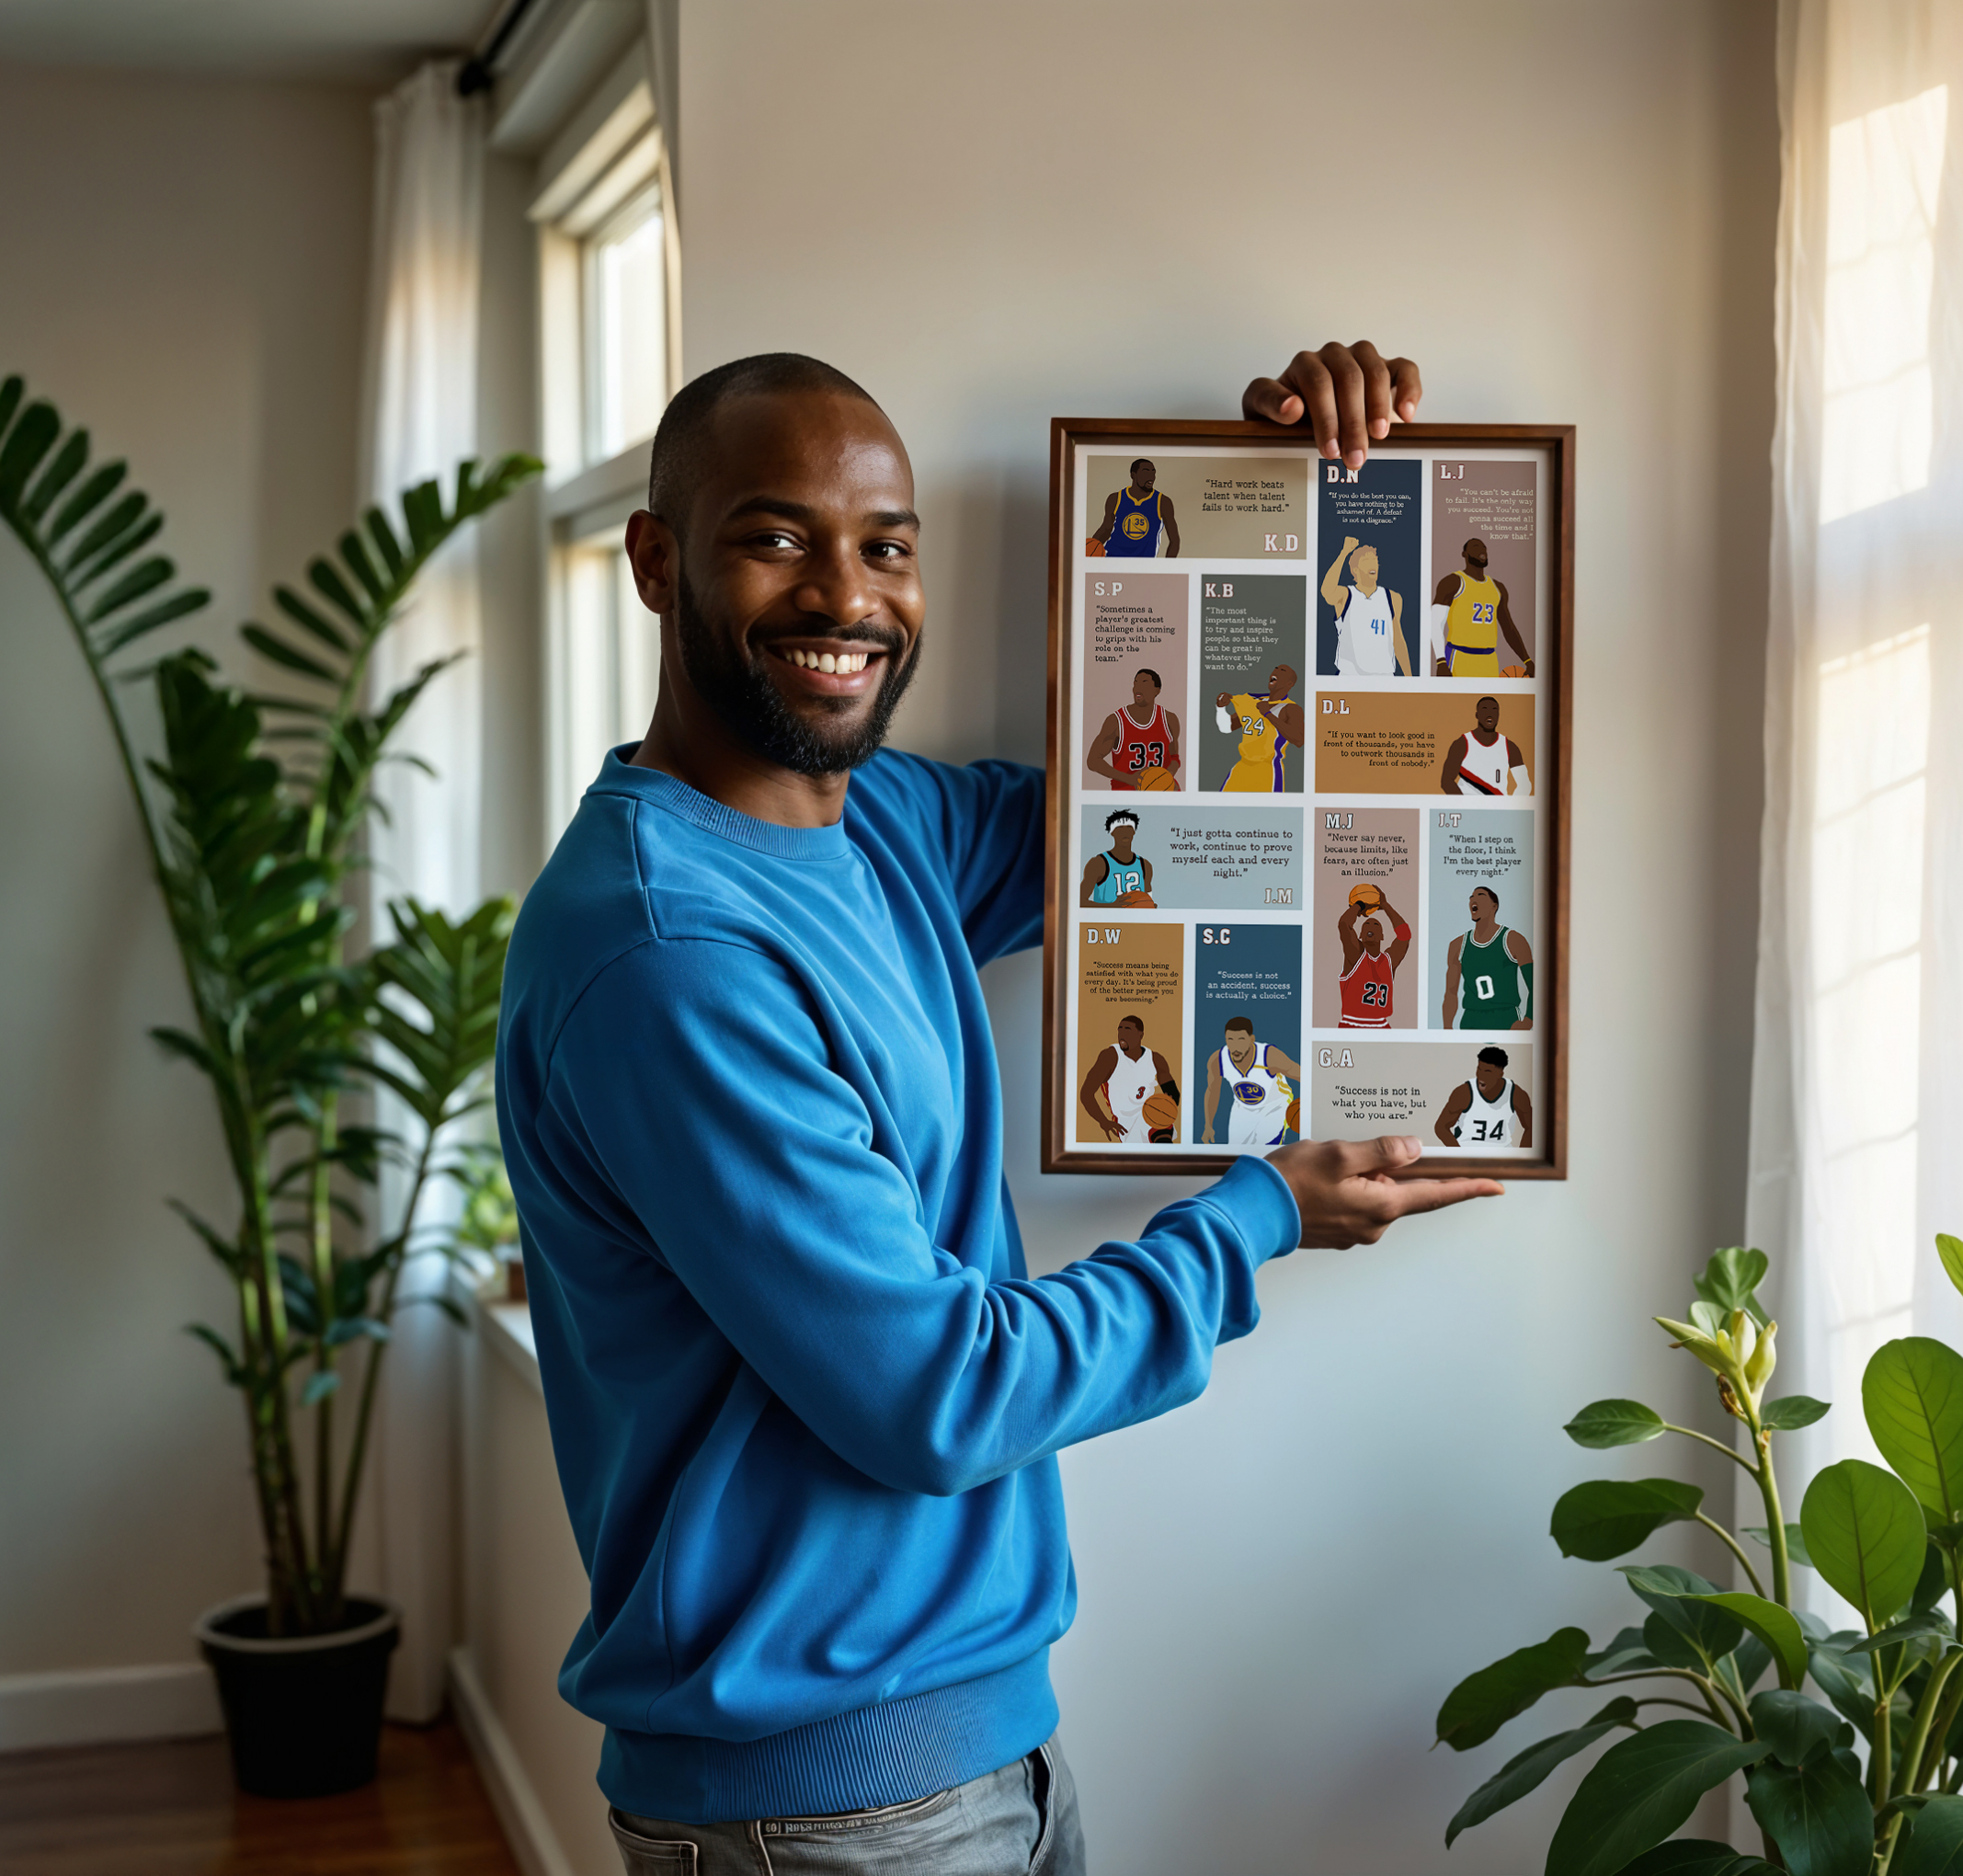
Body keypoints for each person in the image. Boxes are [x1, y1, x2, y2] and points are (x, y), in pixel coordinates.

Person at [496, 341, 1491, 1875]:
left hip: (978, 1748)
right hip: (820, 1813)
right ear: (656, 559)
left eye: (885, 547)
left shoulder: (879, 822)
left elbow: (1190, 818)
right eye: (776, 538)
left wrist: (1285, 492)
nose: (846, 597)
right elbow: (940, 1393)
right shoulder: (666, 954)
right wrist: (1259, 1216)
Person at [1432, 535, 1533, 676]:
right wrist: (1441, 661)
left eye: (1484, 547)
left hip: (1489, 659)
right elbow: (1435, 625)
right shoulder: (1453, 582)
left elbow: (1508, 628)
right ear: (1464, 554)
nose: (1482, 550)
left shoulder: (1498, 588)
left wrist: (1527, 660)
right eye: (1475, 546)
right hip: (1459, 656)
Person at [1441, 885, 1534, 1030]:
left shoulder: (1513, 940)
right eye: (1471, 897)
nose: (1473, 899)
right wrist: (1447, 1028)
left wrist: (1529, 1020)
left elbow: (1535, 985)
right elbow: (1451, 993)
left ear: (1494, 906)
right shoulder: (1457, 945)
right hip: (1471, 1018)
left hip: (1505, 1017)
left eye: (1480, 895)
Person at [1200, 1015, 1301, 1146]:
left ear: (1251, 1039)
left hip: (1275, 1106)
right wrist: (1208, 1125)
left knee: (1266, 1153)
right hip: (1242, 1108)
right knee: (1236, 1154)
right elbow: (1212, 1091)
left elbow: (1303, 1075)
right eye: (1230, 1039)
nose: (1235, 1046)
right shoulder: (1218, 1060)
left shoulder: (1270, 1056)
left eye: (1241, 1040)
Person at [1079, 1015, 1178, 1143]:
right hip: (1126, 1123)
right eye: (1120, 1029)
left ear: (1140, 1034)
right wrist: (1103, 1121)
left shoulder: (1155, 1059)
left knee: (1164, 1141)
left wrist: (1166, 1109)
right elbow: (1086, 1093)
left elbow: (1172, 1092)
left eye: (1127, 1029)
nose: (1122, 1033)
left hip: (1151, 1114)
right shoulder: (1110, 1057)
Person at [1320, 535, 1410, 677]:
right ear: (1355, 570)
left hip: (1384, 676)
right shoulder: (1346, 595)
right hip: (1350, 676)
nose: (1373, 564)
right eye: (1366, 561)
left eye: (1375, 560)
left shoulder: (1392, 597)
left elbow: (1398, 640)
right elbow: (1326, 591)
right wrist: (1344, 553)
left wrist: (1409, 678)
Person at [1084, 667, 1180, 789]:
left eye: (1144, 683)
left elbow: (1174, 757)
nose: (1137, 688)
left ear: (1157, 690)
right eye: (1135, 683)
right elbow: (1093, 760)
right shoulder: (1116, 721)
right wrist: (1129, 779)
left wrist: (1166, 775)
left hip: (1161, 794)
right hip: (1127, 795)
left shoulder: (1169, 720)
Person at [1215, 661, 1303, 792]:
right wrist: (1221, 708)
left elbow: (1299, 740)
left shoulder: (1291, 708)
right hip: (1242, 767)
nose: (1276, 671)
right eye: (1276, 668)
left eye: (1282, 671)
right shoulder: (1253, 702)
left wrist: (1268, 714)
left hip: (1268, 769)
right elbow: (1226, 728)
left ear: (1290, 684)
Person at [1337, 885, 1410, 1027]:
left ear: (1382, 936)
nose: (1371, 926)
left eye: (1376, 925)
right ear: (1360, 935)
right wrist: (1359, 905)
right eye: (1367, 924)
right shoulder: (1355, 955)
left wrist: (1385, 905)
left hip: (1382, 1025)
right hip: (1352, 1024)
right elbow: (1344, 924)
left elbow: (1405, 935)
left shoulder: (1389, 961)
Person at [1433, 1045, 1532, 1149]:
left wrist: (1522, 1157)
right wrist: (1460, 1153)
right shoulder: (1464, 1093)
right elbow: (1441, 1127)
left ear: (1500, 1074)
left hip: (1502, 1155)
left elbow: (1532, 1127)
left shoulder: (1516, 1094)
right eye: (1479, 1069)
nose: (1481, 1075)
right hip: (1468, 1151)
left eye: (1487, 1072)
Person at [1440, 694, 1531, 797]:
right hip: (1468, 809)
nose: (1489, 714)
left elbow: (1525, 785)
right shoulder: (1462, 744)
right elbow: (1447, 781)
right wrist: (1464, 805)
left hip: (1497, 809)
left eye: (1494, 710)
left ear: (1498, 715)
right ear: (1477, 715)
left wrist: (1508, 808)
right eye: (1485, 709)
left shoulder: (1510, 747)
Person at [1089, 457, 1181, 558]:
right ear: (1133, 475)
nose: (1151, 476)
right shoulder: (1116, 498)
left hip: (1143, 565)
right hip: (1113, 559)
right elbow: (1106, 529)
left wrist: (1167, 567)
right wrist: (1089, 553)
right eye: (1146, 472)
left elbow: (1174, 540)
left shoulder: (1163, 502)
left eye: (1153, 472)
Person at [1079, 807, 1153, 907]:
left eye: (1128, 828)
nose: (1125, 832)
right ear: (1112, 832)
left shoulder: (1145, 865)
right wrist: (1112, 906)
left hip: (1135, 922)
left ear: (1134, 831)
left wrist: (1150, 907)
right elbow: (1079, 902)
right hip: (1106, 921)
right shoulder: (1098, 863)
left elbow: (1148, 902)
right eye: (1120, 828)